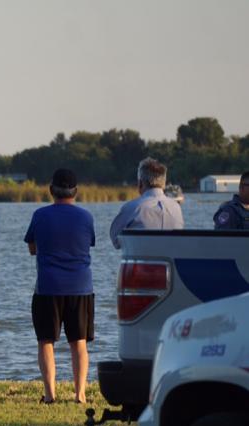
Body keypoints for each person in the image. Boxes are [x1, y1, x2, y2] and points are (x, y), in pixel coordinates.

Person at [24, 169, 95, 404]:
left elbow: (32, 248)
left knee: (46, 340)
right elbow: (88, 244)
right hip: (81, 287)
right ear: (75, 191)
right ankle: (80, 394)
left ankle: (50, 394)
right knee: (79, 342)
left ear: (51, 190)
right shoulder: (86, 217)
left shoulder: (40, 215)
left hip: (47, 287)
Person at [109, 158, 184, 249]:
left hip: (143, 261)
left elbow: (115, 242)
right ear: (164, 184)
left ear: (140, 183)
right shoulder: (176, 208)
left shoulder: (132, 208)